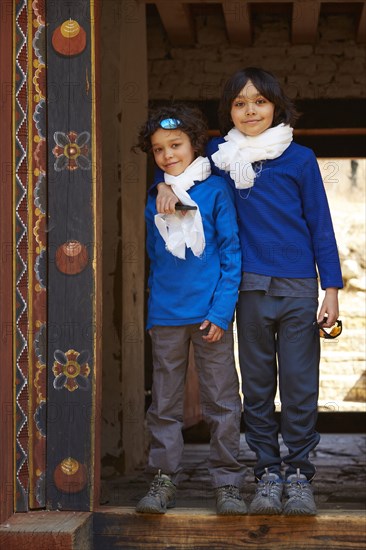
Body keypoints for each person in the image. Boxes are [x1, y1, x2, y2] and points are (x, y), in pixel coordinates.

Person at [154, 68, 343, 516]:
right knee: (257, 388)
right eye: (240, 103)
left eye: (259, 101)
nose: (251, 110)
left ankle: (298, 475)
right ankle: (266, 473)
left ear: (276, 106)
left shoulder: (299, 158)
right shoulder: (218, 154)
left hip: (298, 289)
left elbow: (321, 226)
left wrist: (331, 290)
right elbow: (179, 165)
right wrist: (163, 185)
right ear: (228, 112)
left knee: (299, 386)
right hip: (248, 289)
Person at [134, 104, 247, 515]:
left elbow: (232, 255)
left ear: (196, 144)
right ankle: (163, 479)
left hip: (209, 316)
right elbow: (155, 259)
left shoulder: (216, 191)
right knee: (164, 402)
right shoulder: (156, 198)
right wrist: (151, 311)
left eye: (176, 144)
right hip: (166, 316)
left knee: (221, 401)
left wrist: (221, 313)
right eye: (158, 149)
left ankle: (228, 483)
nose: (168, 155)